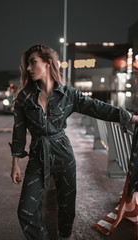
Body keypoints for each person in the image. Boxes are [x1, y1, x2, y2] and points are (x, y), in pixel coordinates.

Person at [9, 45, 138, 240]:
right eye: (27, 64)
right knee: (25, 211)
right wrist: (15, 163)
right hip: (37, 155)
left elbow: (98, 108)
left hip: (63, 154)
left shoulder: (68, 95)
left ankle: (65, 236)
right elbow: (18, 132)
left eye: (32, 62)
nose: (28, 68)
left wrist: (129, 117)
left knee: (67, 207)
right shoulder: (24, 98)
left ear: (47, 63)